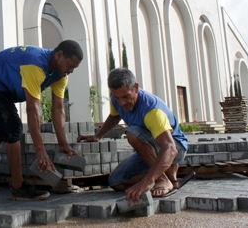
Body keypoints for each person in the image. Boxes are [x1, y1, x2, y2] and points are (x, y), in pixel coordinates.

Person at [0, 40, 84, 200]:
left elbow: (58, 109)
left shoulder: (61, 75)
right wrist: (40, 150)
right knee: (13, 129)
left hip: (3, 86)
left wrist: (64, 144)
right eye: (70, 65)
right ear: (59, 55)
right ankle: (18, 187)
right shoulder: (35, 65)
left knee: (3, 129)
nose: (71, 71)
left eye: (74, 68)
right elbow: (32, 109)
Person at [78, 68, 193, 204]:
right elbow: (115, 116)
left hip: (174, 147)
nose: (122, 103)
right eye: (117, 97)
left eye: (126, 96)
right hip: (150, 146)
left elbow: (170, 148)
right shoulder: (116, 100)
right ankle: (169, 175)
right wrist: (98, 135)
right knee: (116, 182)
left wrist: (146, 182)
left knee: (132, 133)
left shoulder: (152, 110)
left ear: (136, 88)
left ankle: (163, 179)